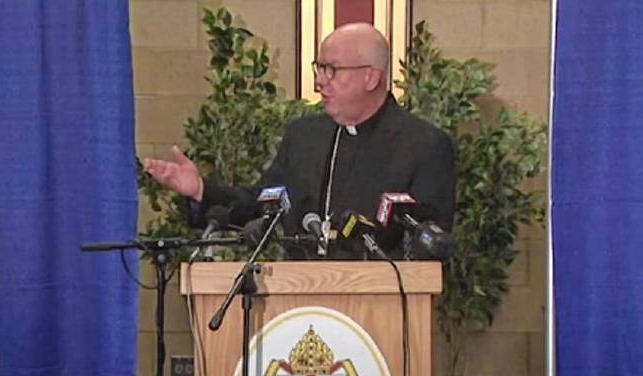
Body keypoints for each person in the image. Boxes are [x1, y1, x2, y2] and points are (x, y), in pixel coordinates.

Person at [144, 23, 455, 259]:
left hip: (378, 320)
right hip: (298, 309)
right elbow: (261, 205)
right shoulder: (304, 136)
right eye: (319, 68)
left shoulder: (424, 145)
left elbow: (430, 251)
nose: (320, 80)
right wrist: (200, 190)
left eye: (331, 69)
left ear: (371, 77)